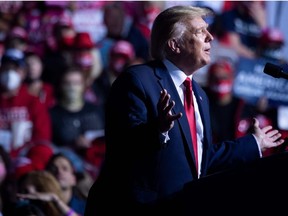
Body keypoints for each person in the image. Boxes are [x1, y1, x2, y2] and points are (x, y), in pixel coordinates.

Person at [84, 5, 284, 216]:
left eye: (208, 30)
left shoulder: (199, 94)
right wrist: (158, 128)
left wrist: (253, 143)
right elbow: (124, 145)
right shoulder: (138, 80)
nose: (210, 38)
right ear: (174, 44)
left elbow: (199, 159)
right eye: (200, 32)